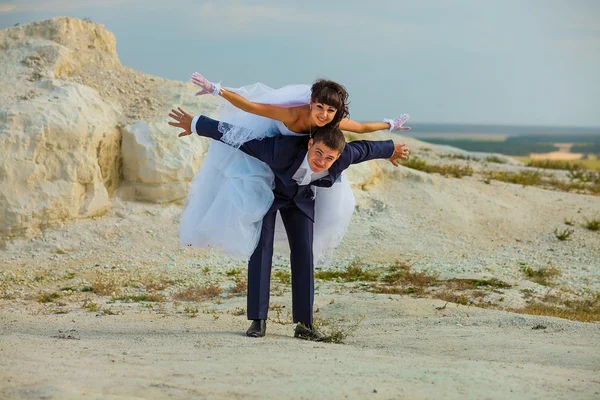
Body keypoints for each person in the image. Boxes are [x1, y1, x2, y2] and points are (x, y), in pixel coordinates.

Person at [169, 107, 410, 340]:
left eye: (329, 158)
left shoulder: (343, 155)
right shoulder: (278, 150)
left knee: (305, 254)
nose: (321, 161)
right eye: (318, 153)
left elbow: (366, 148)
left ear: (338, 156)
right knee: (261, 250)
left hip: (301, 200)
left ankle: (304, 325)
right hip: (268, 193)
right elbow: (239, 137)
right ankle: (258, 320)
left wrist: (391, 149)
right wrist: (195, 123)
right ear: (309, 144)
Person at [180, 72, 411, 263]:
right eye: (319, 107)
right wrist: (216, 90)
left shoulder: (331, 120)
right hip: (277, 150)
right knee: (253, 191)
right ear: (311, 103)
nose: (324, 115)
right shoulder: (292, 114)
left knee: (333, 197)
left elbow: (360, 128)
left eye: (330, 111)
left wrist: (389, 124)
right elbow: (252, 107)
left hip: (310, 154)